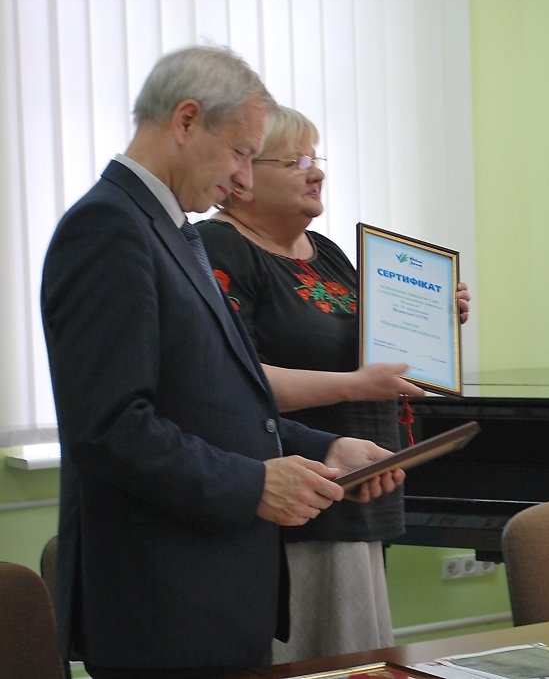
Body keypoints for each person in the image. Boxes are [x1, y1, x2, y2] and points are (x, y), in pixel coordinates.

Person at [40, 46, 403, 679]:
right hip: (163, 604)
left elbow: (217, 398)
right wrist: (253, 484)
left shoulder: (168, 227)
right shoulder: (107, 227)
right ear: (186, 120)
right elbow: (111, 427)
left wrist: (325, 447)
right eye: (239, 152)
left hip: (215, 596)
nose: (242, 180)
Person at [196, 105, 471, 661]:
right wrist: (354, 384)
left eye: (315, 158)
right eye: (295, 162)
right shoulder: (219, 248)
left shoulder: (331, 254)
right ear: (243, 177)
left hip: (363, 486)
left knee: (360, 657)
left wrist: (434, 322)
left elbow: (376, 353)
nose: (316, 172)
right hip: (293, 497)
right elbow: (232, 381)